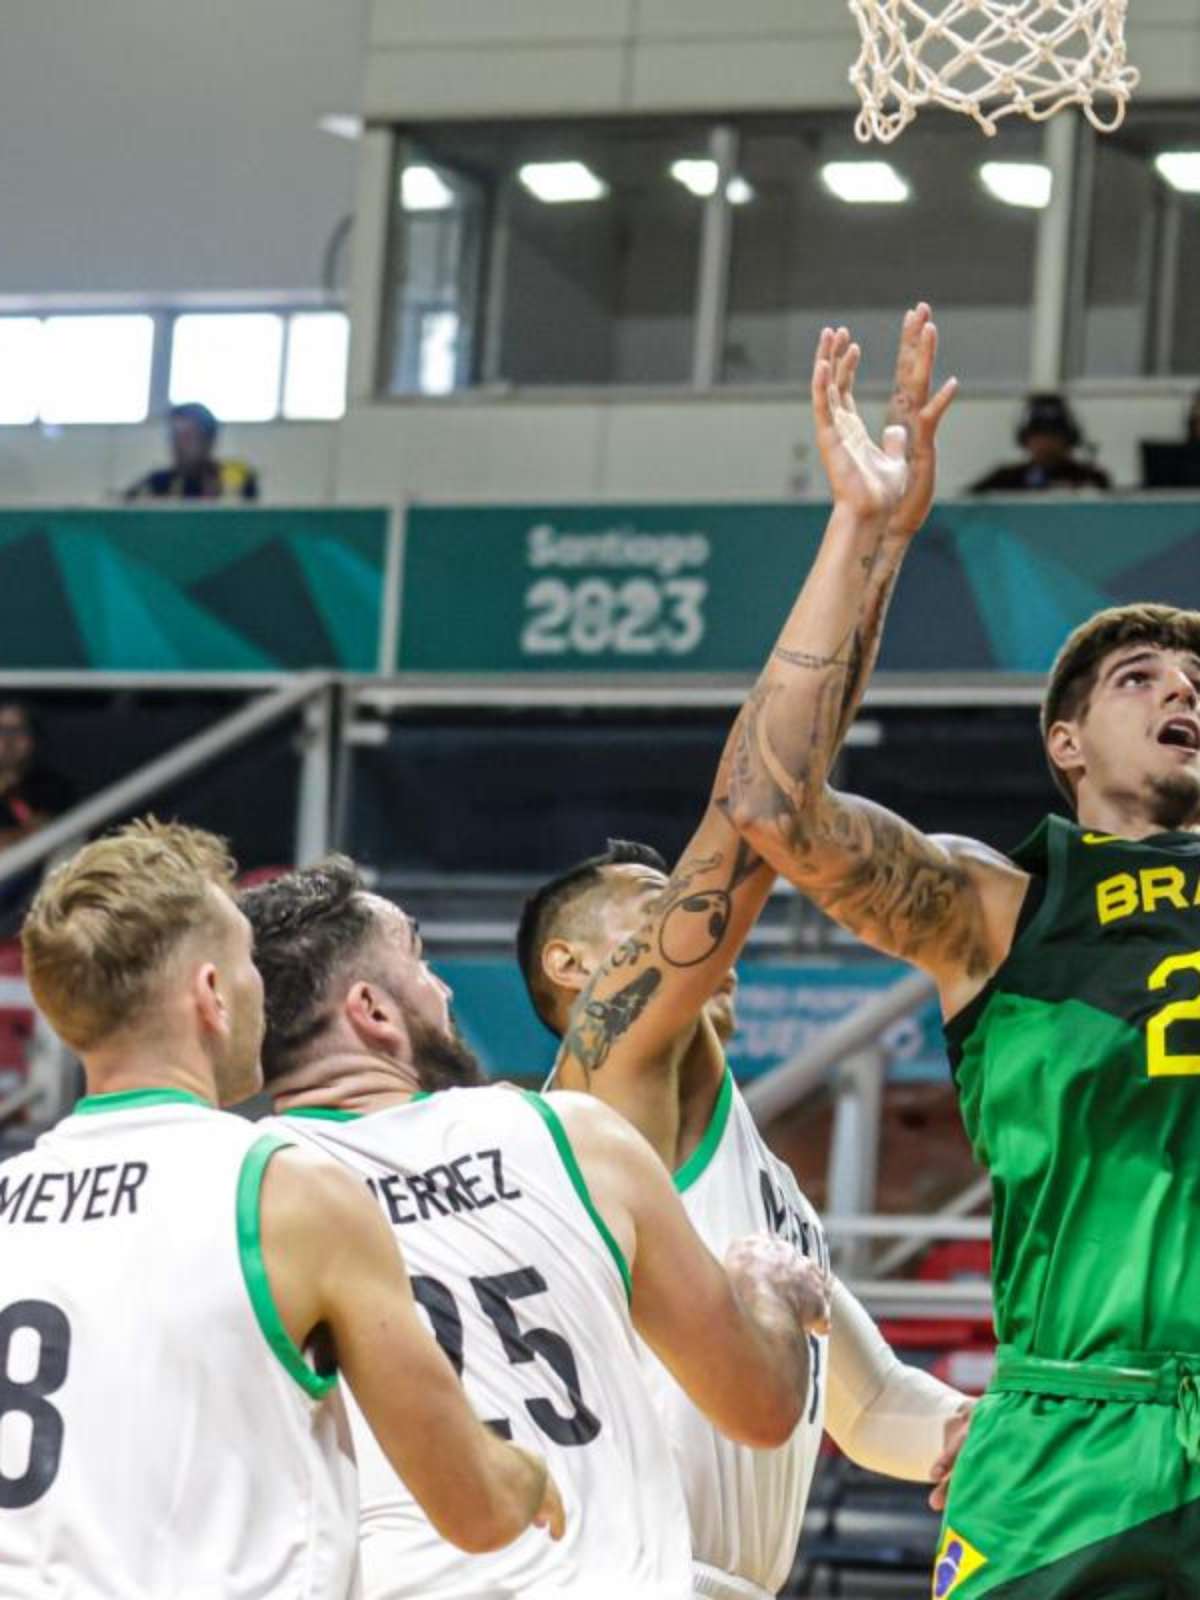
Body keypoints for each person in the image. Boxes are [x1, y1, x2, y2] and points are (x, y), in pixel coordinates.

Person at [721, 317, 1200, 1595]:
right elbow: (773, 810)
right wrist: (865, 539)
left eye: (1198, 678)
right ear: (1066, 746)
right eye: (1141, 677)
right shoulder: (1004, 907)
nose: (1182, 692)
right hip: (1072, 1430)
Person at [521, 307, 973, 1600]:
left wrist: (1007, 1436)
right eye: (646, 901)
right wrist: (856, 537)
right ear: (575, 972)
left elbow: (873, 1405)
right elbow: (756, 813)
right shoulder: (608, 1093)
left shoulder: (754, 1176)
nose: (684, 904)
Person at [240, 856, 834, 1600]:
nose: (444, 988)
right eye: (422, 964)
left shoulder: (239, 1196)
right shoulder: (573, 1136)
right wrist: (766, 1286)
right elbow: (759, 1407)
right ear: (374, 1011)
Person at [2, 818, 562, 1596]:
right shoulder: (283, 1191)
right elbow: (477, 1510)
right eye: (246, 967)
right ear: (210, 995)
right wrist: (531, 1477)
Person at [970, 392, 1110, 494]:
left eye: (1054, 433)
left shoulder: (1090, 478)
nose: (1046, 442)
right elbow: (961, 507)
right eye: (1039, 434)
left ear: (1069, 438)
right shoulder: (1005, 479)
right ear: (1025, 439)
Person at [123, 401, 259, 501]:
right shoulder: (157, 483)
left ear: (208, 440)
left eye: (187, 437)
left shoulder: (237, 479)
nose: (177, 444)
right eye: (173, 437)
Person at [0, 700, 75, 853]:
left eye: (17, 731)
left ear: (33, 738)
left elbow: (45, 833)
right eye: (1, 731)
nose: (8, 740)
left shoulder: (52, 786)